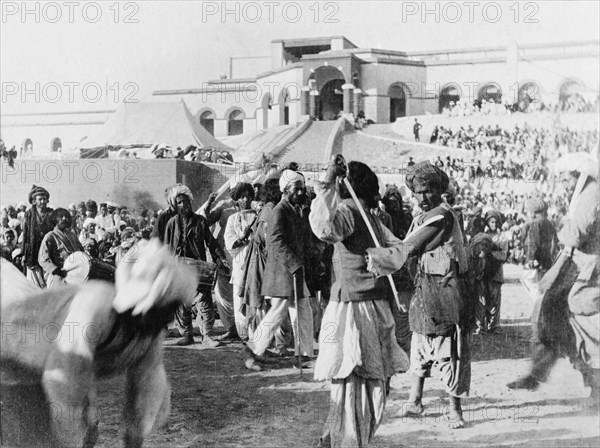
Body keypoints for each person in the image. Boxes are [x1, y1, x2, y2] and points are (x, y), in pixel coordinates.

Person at [309, 157, 409, 447]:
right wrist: (328, 182)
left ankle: (343, 440)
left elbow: (399, 250)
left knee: (356, 380)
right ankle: (343, 440)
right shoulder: (356, 214)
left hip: (360, 309)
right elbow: (324, 229)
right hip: (356, 309)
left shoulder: (360, 214)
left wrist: (328, 184)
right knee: (359, 378)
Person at [366, 161, 473, 429]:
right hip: (426, 288)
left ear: (438, 190)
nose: (423, 198)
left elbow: (410, 247)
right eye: (417, 193)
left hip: (448, 290)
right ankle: (415, 401)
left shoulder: (443, 216)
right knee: (420, 346)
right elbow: (405, 246)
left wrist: (380, 258)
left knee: (449, 351)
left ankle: (454, 409)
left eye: (427, 191)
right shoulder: (420, 218)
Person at [508, 153, 599, 409]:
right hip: (579, 266)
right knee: (550, 317)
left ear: (578, 176)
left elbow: (575, 236)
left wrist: (556, 267)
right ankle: (539, 373)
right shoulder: (585, 194)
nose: (564, 184)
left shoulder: (592, 194)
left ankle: (593, 383)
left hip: (587, 270)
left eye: (565, 179)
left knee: (575, 324)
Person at [243, 169, 314, 370]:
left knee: (303, 311)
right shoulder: (279, 212)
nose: (301, 193)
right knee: (278, 312)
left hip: (294, 272)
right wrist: (293, 263)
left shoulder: (295, 210)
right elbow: (274, 242)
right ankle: (252, 350)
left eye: (302, 189)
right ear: (285, 190)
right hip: (283, 272)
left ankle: (304, 354)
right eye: (297, 189)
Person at [164, 185, 228, 347]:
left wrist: (220, 259)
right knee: (181, 303)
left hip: (198, 267)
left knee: (204, 302)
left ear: (190, 202)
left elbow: (211, 242)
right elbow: (166, 247)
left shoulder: (200, 221)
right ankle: (187, 334)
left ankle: (206, 335)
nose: (183, 205)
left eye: (186, 201)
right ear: (175, 205)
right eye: (179, 202)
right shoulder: (172, 223)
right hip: (178, 268)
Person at [224, 183, 257, 341]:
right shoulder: (232, 219)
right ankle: (243, 334)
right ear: (236, 199)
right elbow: (230, 243)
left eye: (248, 196)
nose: (246, 199)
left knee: (255, 297)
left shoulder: (258, 215)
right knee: (239, 297)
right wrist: (243, 237)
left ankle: (256, 334)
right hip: (240, 263)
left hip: (256, 262)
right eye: (242, 196)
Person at [477, 209, 509, 334]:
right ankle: (481, 326)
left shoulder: (503, 238)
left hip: (495, 273)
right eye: (491, 222)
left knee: (494, 300)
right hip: (483, 271)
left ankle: (494, 326)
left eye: (496, 222)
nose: (494, 224)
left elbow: (503, 255)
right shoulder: (482, 236)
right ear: (487, 223)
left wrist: (490, 253)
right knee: (482, 300)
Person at [38, 208, 84, 287]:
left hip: (75, 275)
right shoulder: (50, 236)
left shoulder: (72, 235)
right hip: (58, 277)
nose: (64, 219)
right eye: (61, 216)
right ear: (54, 219)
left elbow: (82, 252)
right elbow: (42, 258)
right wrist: (55, 270)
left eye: (66, 217)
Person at [22, 185, 54, 287]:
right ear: (34, 201)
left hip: (48, 251)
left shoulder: (51, 214)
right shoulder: (29, 215)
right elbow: (26, 235)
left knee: (48, 281)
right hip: (33, 252)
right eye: (40, 199)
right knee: (34, 283)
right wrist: (23, 254)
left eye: (45, 199)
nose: (43, 201)